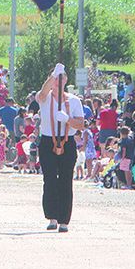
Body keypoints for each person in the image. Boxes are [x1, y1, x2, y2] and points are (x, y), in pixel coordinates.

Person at [35, 63, 87, 233]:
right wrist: (53, 75)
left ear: (65, 81)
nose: (57, 82)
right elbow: (43, 92)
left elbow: (81, 124)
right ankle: (52, 216)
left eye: (60, 78)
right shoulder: (45, 98)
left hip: (66, 140)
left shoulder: (73, 100)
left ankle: (64, 219)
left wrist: (67, 120)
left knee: (65, 180)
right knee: (50, 179)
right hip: (48, 141)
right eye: (55, 79)